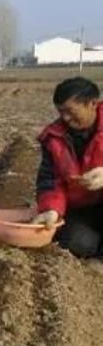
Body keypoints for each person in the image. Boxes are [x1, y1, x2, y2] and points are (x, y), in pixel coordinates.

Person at [33, 77, 103, 258]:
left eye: (70, 111)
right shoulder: (54, 137)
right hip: (80, 208)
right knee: (77, 242)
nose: (65, 118)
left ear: (92, 104)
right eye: (61, 112)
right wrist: (51, 210)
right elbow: (50, 180)